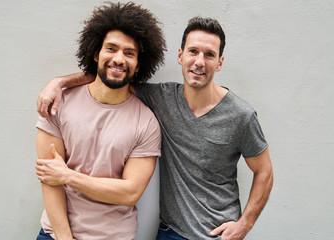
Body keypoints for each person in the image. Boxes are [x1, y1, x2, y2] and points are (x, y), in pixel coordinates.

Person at [37, 16, 273, 240]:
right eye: (193, 51)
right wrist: (59, 82)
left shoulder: (241, 115)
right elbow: (114, 75)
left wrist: (245, 223)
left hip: (218, 233)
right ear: (180, 56)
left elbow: (264, 171)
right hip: (171, 231)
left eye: (209, 55)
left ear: (219, 63)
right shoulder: (161, 98)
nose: (199, 61)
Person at [34, 2, 166, 240]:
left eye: (129, 53)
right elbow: (48, 178)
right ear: (96, 53)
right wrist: (65, 237)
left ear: (138, 65)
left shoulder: (146, 122)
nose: (119, 59)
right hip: (56, 234)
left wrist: (68, 176)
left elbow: (129, 193)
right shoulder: (58, 103)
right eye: (111, 49)